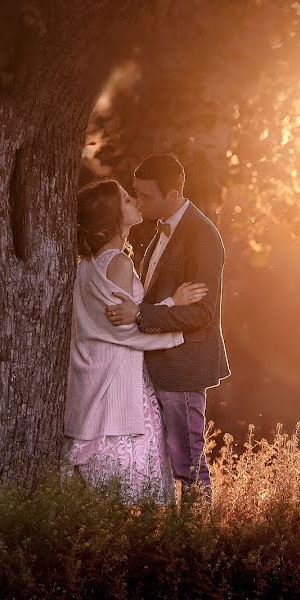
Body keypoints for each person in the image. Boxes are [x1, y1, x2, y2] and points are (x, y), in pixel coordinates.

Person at [63, 178, 208, 504]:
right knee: (122, 475)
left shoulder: (88, 265)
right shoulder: (118, 263)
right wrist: (174, 308)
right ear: (114, 214)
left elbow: (117, 321)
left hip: (95, 371)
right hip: (114, 377)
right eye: (127, 200)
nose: (136, 202)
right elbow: (123, 329)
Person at [105, 154, 231, 500]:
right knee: (165, 458)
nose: (139, 202)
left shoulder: (202, 237)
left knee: (187, 461)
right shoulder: (161, 228)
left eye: (147, 196)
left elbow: (202, 313)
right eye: (137, 194)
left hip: (183, 367)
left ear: (173, 195)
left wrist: (141, 316)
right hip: (158, 361)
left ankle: (196, 538)